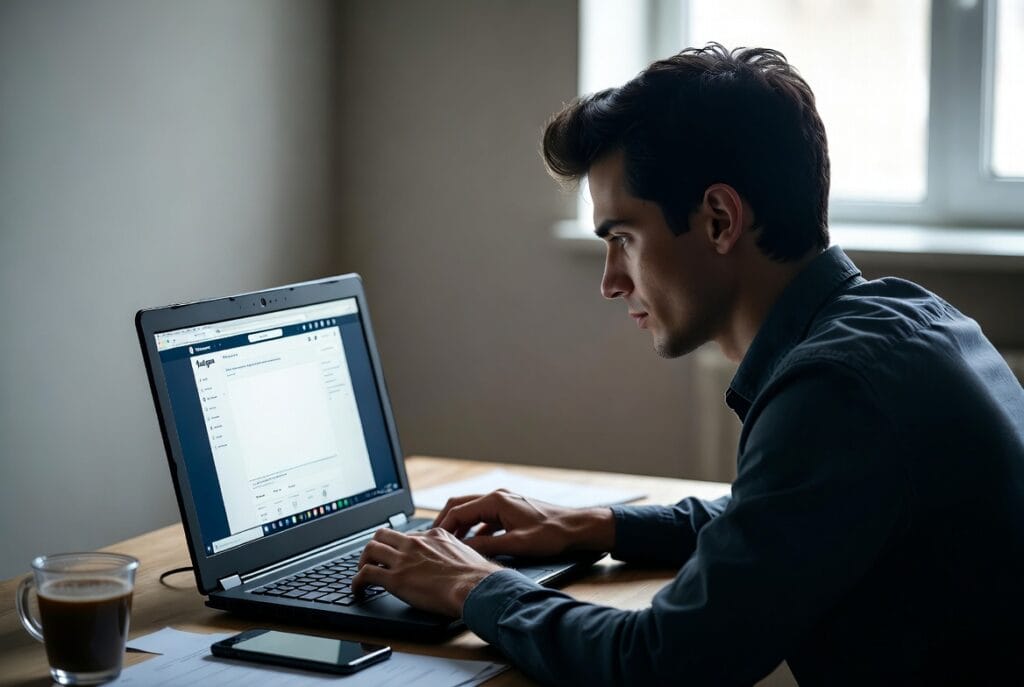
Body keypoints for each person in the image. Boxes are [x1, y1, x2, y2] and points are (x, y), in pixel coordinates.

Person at [352, 44, 1024, 685]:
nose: (611, 281)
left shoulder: (834, 392)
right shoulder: (906, 318)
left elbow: (659, 663)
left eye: (623, 237)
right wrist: (596, 525)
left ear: (719, 220)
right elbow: (780, 518)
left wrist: (467, 583)